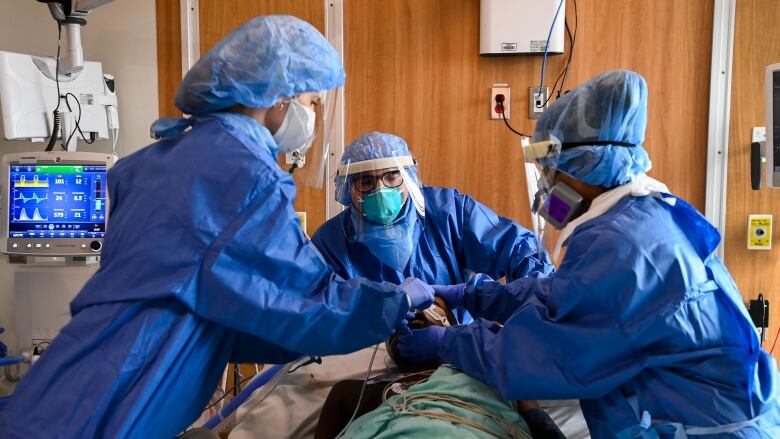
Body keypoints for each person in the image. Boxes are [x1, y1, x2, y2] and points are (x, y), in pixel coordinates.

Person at [0, 16, 432, 439]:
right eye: (312, 102)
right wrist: (395, 302)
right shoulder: (245, 172)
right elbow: (305, 303)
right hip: (123, 390)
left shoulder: (149, 164)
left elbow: (230, 312)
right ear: (279, 95)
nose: (314, 115)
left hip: (67, 379)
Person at [398, 70, 780, 438]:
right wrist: (473, 296)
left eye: (551, 171)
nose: (546, 187)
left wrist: (448, 341)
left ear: (585, 165)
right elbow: (563, 296)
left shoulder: (625, 246)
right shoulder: (639, 214)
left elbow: (543, 355)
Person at [228, 131, 556, 439]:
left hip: (461, 352)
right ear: (347, 188)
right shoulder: (332, 242)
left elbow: (522, 254)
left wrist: (537, 309)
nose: (380, 189)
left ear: (409, 176)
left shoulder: (449, 212)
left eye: (391, 176)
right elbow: (313, 311)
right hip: (364, 356)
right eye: (366, 181)